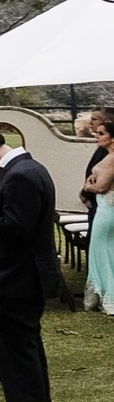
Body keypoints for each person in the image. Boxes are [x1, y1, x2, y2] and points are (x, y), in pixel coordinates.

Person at [0, 129, 62, 402]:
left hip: (15, 281)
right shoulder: (25, 169)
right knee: (26, 357)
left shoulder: (21, 175)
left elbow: (16, 228)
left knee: (18, 361)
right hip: (17, 279)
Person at [84, 115, 114, 312]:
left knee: (100, 250)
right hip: (105, 206)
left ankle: (107, 295)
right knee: (106, 249)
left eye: (102, 133)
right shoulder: (106, 155)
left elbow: (102, 186)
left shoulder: (113, 158)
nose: (97, 135)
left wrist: (88, 186)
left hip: (107, 208)